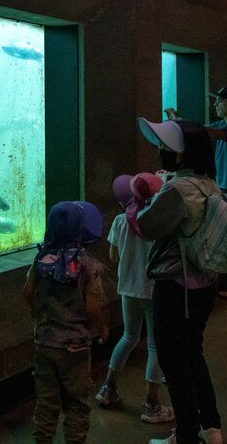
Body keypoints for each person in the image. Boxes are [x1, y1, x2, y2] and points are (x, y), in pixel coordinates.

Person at [135, 117, 224, 444]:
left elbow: (147, 227)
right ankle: (211, 426)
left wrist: (147, 200)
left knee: (174, 364)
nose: (160, 151)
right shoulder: (208, 183)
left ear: (182, 155)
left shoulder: (177, 189)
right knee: (194, 354)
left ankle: (186, 435)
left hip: (176, 288)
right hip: (204, 286)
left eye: (165, 147)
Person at [22, 201, 108, 444]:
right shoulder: (87, 263)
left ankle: (43, 440)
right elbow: (92, 306)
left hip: (45, 342)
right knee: (77, 402)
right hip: (76, 346)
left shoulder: (41, 257)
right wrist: (101, 327)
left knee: (46, 402)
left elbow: (27, 291)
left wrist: (37, 313)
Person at [95, 172, 175, 425]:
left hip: (127, 288)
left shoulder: (120, 220)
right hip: (152, 289)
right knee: (154, 345)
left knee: (129, 336)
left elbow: (113, 255)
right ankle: (152, 404)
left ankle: (108, 388)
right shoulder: (153, 219)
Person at [167, 86, 227, 297]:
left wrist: (180, 123)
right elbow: (203, 130)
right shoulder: (222, 124)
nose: (214, 104)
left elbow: (207, 132)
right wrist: (182, 123)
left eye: (219, 100)